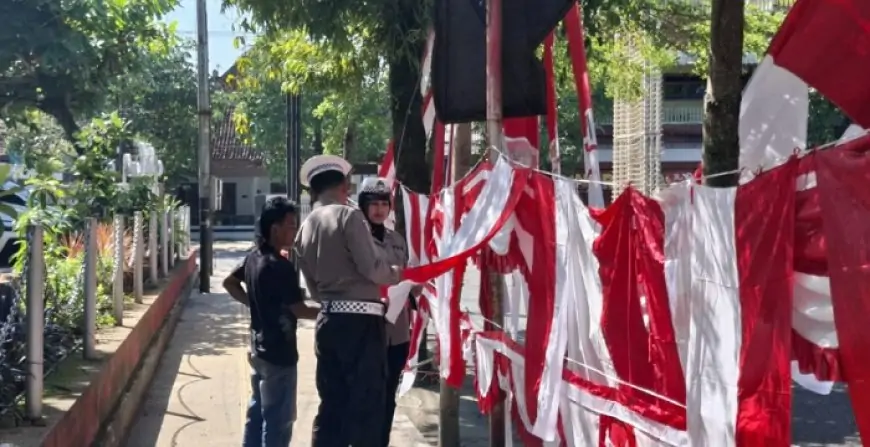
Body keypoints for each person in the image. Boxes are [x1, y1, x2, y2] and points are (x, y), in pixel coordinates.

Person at [293, 155, 403, 447]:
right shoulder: (349, 216)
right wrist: (397, 273)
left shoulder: (305, 227)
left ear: (313, 190)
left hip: (328, 319)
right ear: (344, 186)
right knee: (367, 405)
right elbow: (372, 268)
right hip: (363, 323)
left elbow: (313, 290)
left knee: (332, 404)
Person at [223, 197, 319, 447]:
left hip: (258, 350)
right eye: (291, 225)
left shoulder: (253, 258)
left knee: (257, 413)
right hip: (279, 356)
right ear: (274, 228)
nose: (294, 231)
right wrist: (331, 311)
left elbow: (229, 283)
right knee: (279, 420)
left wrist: (253, 304)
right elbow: (299, 310)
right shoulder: (281, 266)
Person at [355, 177, 418, 446]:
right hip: (367, 328)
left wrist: (416, 287)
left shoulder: (397, 240)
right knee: (366, 394)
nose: (380, 210)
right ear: (363, 206)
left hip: (398, 331)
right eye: (374, 204)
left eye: (384, 204)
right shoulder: (355, 238)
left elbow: (404, 276)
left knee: (388, 394)